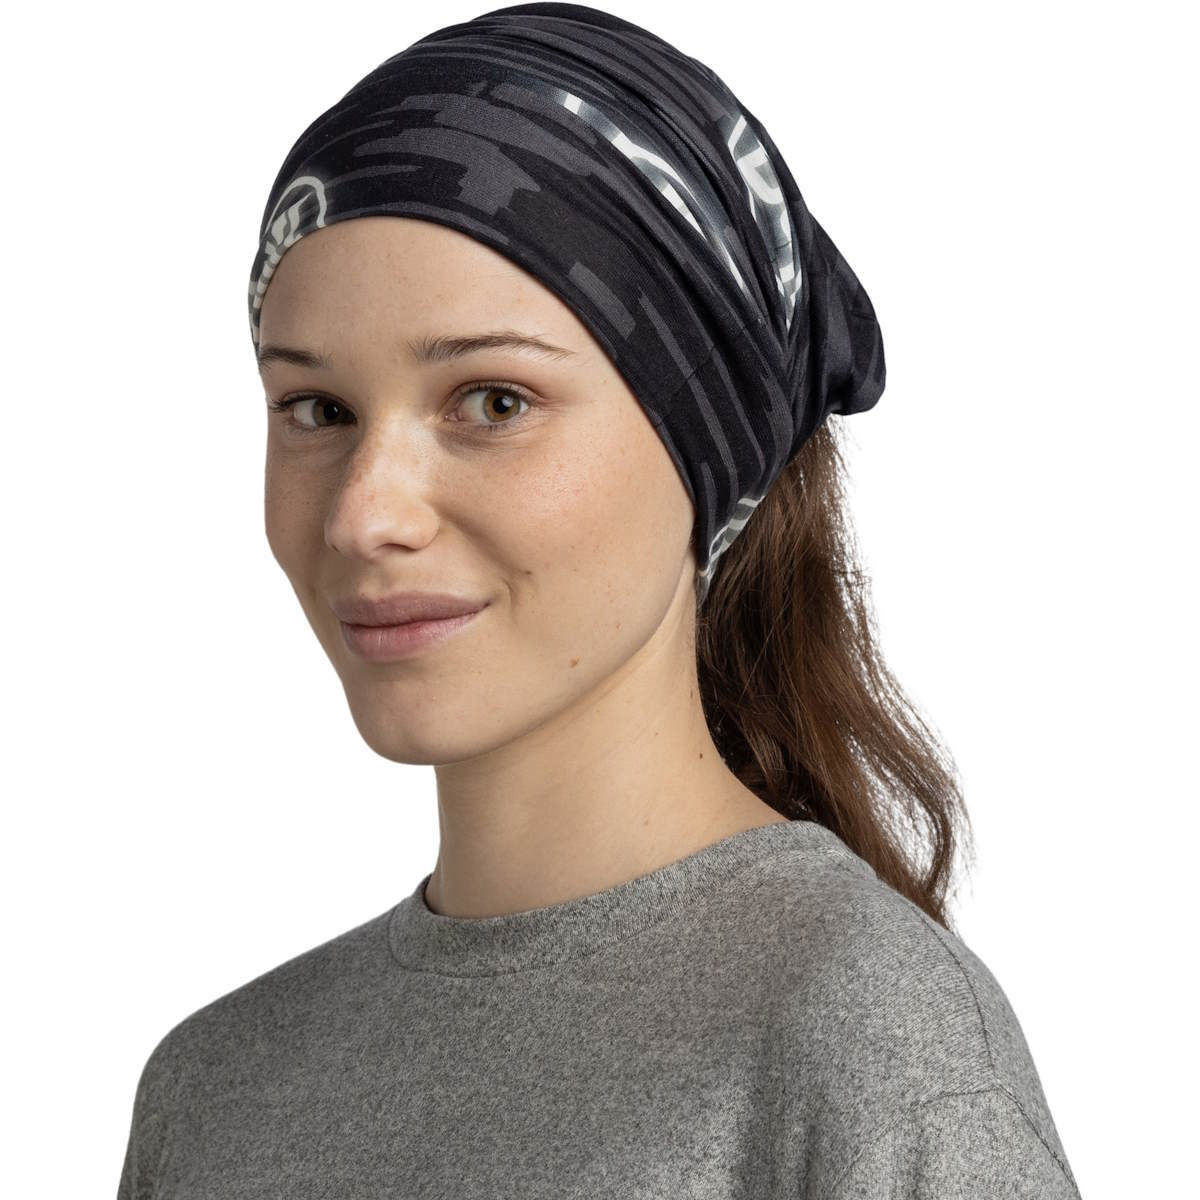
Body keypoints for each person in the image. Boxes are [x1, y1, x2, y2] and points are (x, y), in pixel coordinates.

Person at [117, 4, 1082, 1197]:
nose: (364, 515)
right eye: (318, 411)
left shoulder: (867, 1044)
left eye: (494, 402)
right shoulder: (213, 1091)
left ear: (704, 448)